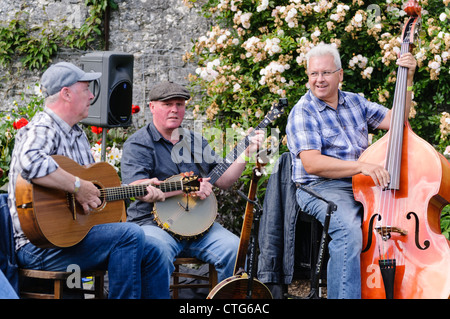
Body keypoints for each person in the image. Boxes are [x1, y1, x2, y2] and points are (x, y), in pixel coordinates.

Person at [7, 62, 169, 299]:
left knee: (154, 250)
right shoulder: (44, 127)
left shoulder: (77, 134)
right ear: (66, 93)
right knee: (129, 234)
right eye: (86, 89)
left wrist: (132, 190)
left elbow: (94, 193)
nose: (92, 95)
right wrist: (77, 186)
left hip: (74, 238)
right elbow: (30, 161)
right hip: (40, 247)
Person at [286, 43, 416, 298]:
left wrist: (408, 79)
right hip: (319, 186)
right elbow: (312, 163)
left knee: (398, 220)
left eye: (325, 73)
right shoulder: (303, 111)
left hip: (359, 183)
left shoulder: (355, 102)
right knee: (348, 231)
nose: (319, 80)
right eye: (313, 74)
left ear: (340, 75)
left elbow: (398, 120)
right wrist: (362, 166)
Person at [121, 81, 264, 293]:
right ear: (152, 107)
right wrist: (188, 186)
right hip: (153, 225)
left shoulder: (195, 141)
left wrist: (246, 153)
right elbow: (138, 188)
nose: (174, 109)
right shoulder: (138, 143)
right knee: (156, 250)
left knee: (234, 249)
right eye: (167, 104)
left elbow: (223, 180)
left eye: (179, 104)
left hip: (198, 225)